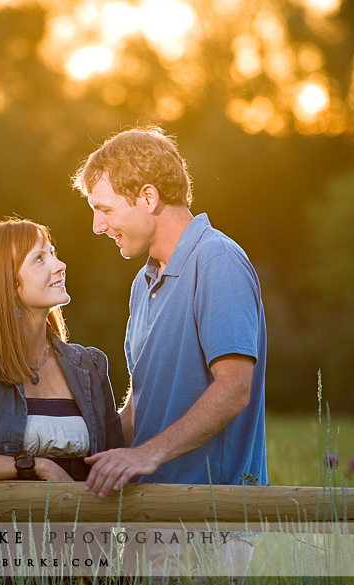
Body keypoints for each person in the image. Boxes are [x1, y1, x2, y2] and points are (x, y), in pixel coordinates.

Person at [71, 126, 268, 498]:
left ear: (148, 197)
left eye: (105, 210)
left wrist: (147, 454)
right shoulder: (142, 283)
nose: (98, 227)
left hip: (210, 513)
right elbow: (140, 404)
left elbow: (234, 388)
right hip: (147, 508)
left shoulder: (216, 260)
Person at [0, 218, 124, 488]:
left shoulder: (89, 365)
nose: (60, 266)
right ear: (6, 284)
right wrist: (37, 466)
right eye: (40, 259)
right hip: (3, 529)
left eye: (53, 254)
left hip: (82, 529)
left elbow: (115, 458)